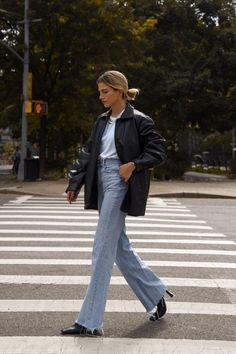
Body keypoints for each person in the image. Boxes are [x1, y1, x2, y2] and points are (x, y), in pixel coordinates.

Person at [62, 70, 174, 337]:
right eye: (99, 92)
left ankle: (89, 322)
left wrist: (134, 165)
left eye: (105, 91)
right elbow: (89, 151)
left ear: (120, 91)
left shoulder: (138, 120)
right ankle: (154, 292)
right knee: (119, 246)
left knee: (102, 248)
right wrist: (74, 182)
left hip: (119, 180)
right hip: (100, 179)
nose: (101, 97)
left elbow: (158, 150)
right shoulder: (101, 121)